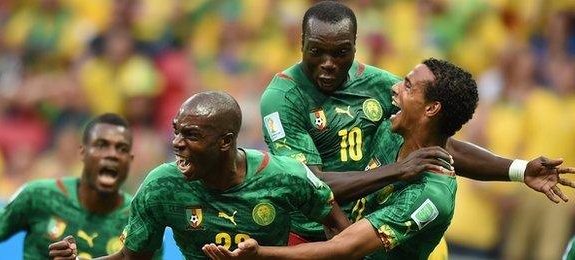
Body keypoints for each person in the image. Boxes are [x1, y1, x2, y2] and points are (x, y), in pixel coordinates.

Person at [259, 1, 574, 247]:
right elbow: (310, 186)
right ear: (301, 43)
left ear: (355, 46)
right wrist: (397, 170)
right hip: (307, 236)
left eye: (341, 52)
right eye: (316, 51)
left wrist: (518, 170)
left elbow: (434, 142)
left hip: (374, 232)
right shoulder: (283, 97)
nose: (328, 63)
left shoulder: (379, 85)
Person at [201, 58, 473, 259]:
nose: (394, 87)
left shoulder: (431, 193)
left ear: (432, 108)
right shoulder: (391, 133)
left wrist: (261, 254)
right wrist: (515, 169)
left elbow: (346, 248)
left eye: (408, 86)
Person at [47, 91, 351, 260]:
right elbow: (131, 258)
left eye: (191, 135)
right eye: (176, 131)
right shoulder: (161, 186)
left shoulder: (286, 176)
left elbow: (342, 235)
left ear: (225, 142)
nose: (177, 143)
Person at [0, 113, 163, 259]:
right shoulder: (40, 195)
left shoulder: (141, 222)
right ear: (82, 152)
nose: (111, 154)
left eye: (121, 148)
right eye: (102, 145)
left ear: (130, 160)